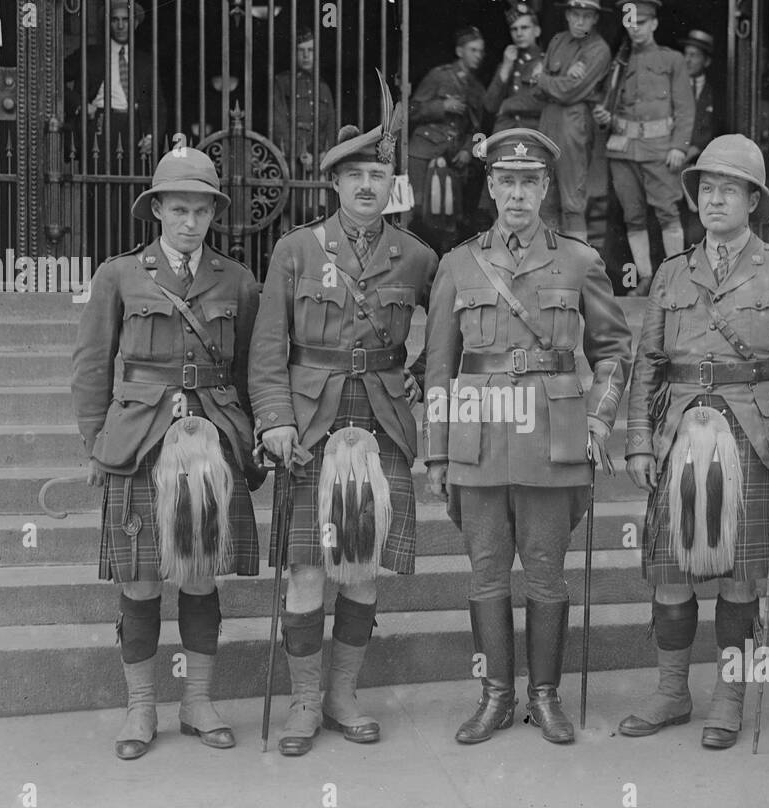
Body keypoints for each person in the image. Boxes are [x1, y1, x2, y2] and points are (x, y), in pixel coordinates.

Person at [619, 134, 769, 749]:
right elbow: (648, 365)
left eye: (728, 190)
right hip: (679, 433)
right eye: (706, 189)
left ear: (752, 200)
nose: (714, 200)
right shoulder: (669, 272)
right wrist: (638, 440)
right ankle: (671, 692)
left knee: (740, 579)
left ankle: (729, 695)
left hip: (754, 432)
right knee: (670, 573)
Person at [423, 128, 632, 746]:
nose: (517, 194)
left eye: (529, 182)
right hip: (479, 437)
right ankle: (495, 697)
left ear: (545, 188)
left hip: (553, 437)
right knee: (486, 574)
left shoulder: (580, 261)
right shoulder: (458, 263)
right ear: (489, 187)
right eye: (506, 181)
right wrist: (437, 448)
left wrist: (598, 418)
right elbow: (439, 365)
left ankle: (544, 696)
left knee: (545, 574)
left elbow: (616, 353)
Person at [250, 82, 439, 757]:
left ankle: (342, 695)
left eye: (377, 174)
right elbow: (269, 347)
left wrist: (423, 374)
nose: (366, 185)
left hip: (381, 420)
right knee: (307, 570)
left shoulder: (416, 257)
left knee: (361, 568)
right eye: (354, 175)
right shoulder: (296, 251)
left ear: (393, 182)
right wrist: (272, 421)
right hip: (311, 423)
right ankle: (304, 701)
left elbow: (443, 338)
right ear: (332, 183)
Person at [71, 145, 263, 760]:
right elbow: (91, 368)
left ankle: (199, 702)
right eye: (177, 209)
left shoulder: (237, 280)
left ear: (214, 213)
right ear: (156, 210)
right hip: (138, 444)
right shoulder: (118, 275)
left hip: (209, 443)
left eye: (201, 211)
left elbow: (252, 369)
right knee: (141, 578)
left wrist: (252, 438)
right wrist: (98, 446)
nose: (189, 222)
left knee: (200, 574)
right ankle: (141, 708)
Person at [593, 0, 694, 297]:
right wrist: (606, 117)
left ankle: (676, 278)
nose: (635, 29)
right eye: (630, 23)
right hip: (623, 150)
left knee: (667, 212)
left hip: (660, 149)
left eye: (641, 22)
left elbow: (686, 109)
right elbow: (611, 105)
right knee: (632, 216)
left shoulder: (672, 60)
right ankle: (647, 278)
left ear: (654, 24)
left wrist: (679, 146)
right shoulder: (619, 63)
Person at [63, 0, 168, 256]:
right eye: (115, 19)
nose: (120, 25)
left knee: (130, 196)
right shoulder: (91, 54)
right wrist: (80, 104)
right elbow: (53, 74)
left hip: (132, 127)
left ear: (135, 23)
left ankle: (129, 259)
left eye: (125, 19)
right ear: (108, 23)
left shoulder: (145, 61)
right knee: (98, 197)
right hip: (99, 126)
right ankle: (101, 261)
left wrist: (153, 135)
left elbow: (159, 104)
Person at [534, 0, 612, 241]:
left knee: (572, 201)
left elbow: (569, 92)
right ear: (567, 14)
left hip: (573, 124)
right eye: (575, 14)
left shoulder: (598, 49)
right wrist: (559, 81)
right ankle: (549, 259)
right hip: (548, 119)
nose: (580, 22)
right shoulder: (558, 41)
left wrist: (543, 79)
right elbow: (536, 93)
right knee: (544, 195)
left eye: (586, 16)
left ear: (596, 18)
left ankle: (577, 266)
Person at [407, 27, 487, 253]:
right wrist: (441, 106)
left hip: (453, 157)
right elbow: (411, 109)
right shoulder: (438, 76)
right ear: (459, 51)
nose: (478, 55)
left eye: (481, 51)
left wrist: (468, 150)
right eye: (473, 50)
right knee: (418, 211)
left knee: (448, 216)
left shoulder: (477, 88)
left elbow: (479, 128)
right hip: (423, 151)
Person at [270, 28, 337, 221]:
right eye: (301, 50)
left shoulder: (323, 86)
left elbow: (331, 124)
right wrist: (299, 152)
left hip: (320, 164)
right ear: (294, 53)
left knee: (319, 214)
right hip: (292, 163)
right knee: (291, 214)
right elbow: (279, 121)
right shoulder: (282, 82)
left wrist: (326, 153)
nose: (307, 55)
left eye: (311, 50)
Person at [680, 29, 726, 245]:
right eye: (686, 54)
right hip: (672, 164)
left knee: (697, 222)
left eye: (694, 55)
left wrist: (696, 149)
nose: (687, 59)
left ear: (706, 61)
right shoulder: (672, 89)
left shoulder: (716, 93)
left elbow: (718, 128)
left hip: (700, 164)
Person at [484, 2, 545, 133]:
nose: (519, 33)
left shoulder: (546, 63)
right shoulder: (508, 62)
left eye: (524, 28)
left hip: (534, 135)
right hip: (505, 134)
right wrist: (505, 68)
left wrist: (507, 105)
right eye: (514, 29)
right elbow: (490, 106)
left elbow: (543, 103)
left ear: (537, 31)